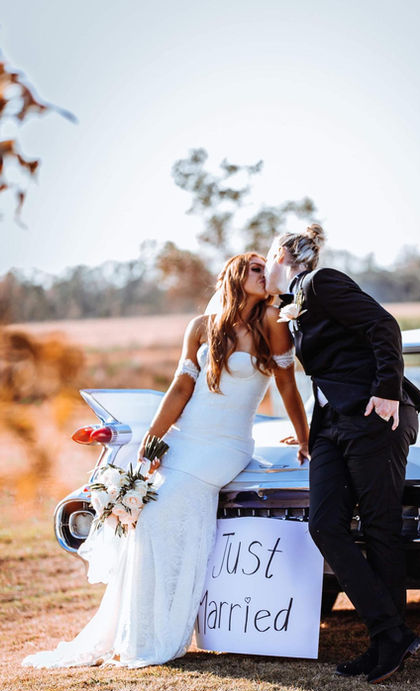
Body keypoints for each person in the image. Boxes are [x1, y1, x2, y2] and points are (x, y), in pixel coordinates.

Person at [22, 252, 309, 669]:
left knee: (161, 513)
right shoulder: (201, 327)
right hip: (186, 437)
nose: (265, 273)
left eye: (267, 268)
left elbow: (286, 386)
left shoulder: (271, 322)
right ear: (234, 275)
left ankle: (161, 634)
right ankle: (137, 631)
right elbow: (180, 388)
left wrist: (305, 436)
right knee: (148, 521)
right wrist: (154, 437)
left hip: (227, 445)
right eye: (255, 268)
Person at [264, 225, 420, 684]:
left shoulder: (322, 282)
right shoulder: (291, 304)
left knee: (379, 526)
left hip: (375, 415)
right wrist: (307, 433)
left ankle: (385, 643)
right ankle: (392, 633)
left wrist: (387, 391)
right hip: (331, 425)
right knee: (324, 524)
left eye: (268, 257)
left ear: (283, 255)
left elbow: (384, 325)